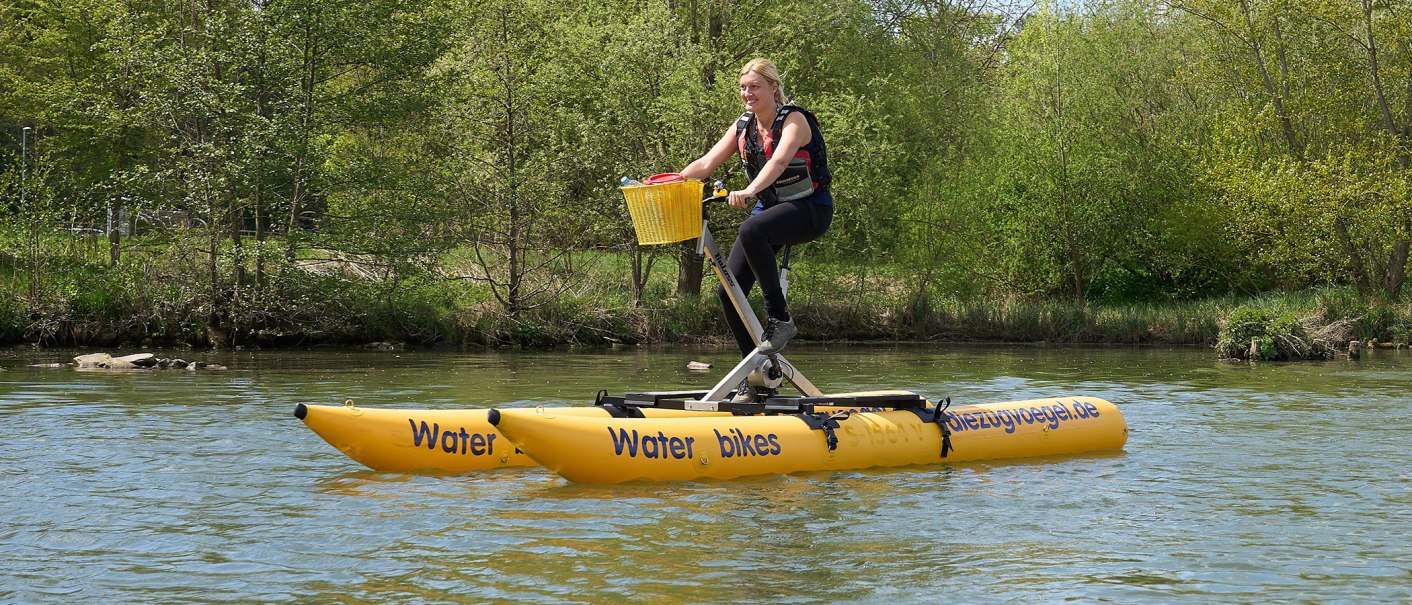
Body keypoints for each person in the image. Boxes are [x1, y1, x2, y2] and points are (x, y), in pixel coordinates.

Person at [680, 57, 833, 364]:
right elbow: (707, 164)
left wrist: (749, 191)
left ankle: (780, 319)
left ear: (774, 88)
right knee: (730, 292)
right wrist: (668, 181)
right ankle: (755, 370)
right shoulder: (742, 126)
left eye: (755, 87)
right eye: (743, 88)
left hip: (810, 209)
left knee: (751, 228)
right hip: (771, 209)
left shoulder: (794, 121)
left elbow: (777, 162)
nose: (747, 93)